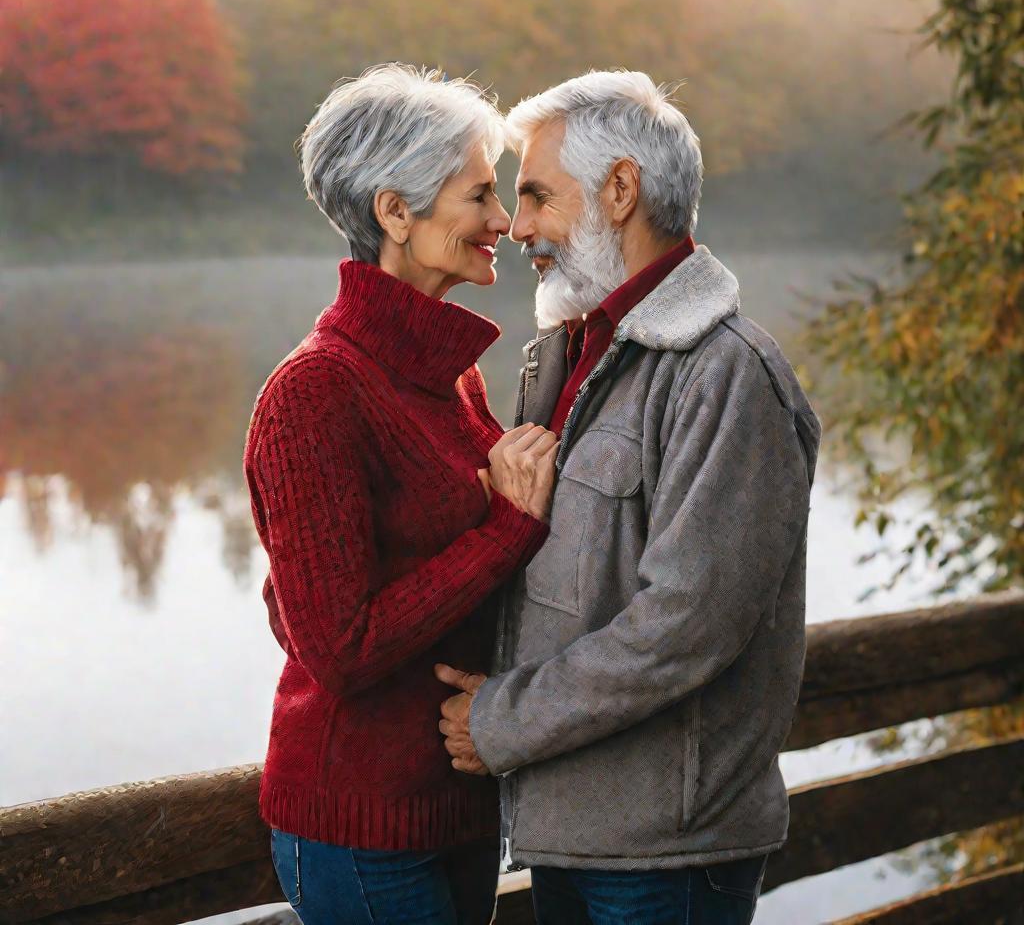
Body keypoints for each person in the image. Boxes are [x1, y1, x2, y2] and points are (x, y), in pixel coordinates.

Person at [436, 70, 822, 925]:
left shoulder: (728, 373)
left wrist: (501, 720)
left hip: (666, 855)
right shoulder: (565, 356)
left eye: (537, 195)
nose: (519, 224)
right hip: (573, 830)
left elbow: (686, 626)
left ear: (620, 190)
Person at [243, 63, 558, 925]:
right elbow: (338, 647)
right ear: (394, 212)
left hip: (458, 804)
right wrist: (507, 528)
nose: (501, 221)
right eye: (477, 196)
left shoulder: (447, 375)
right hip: (360, 825)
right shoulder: (314, 392)